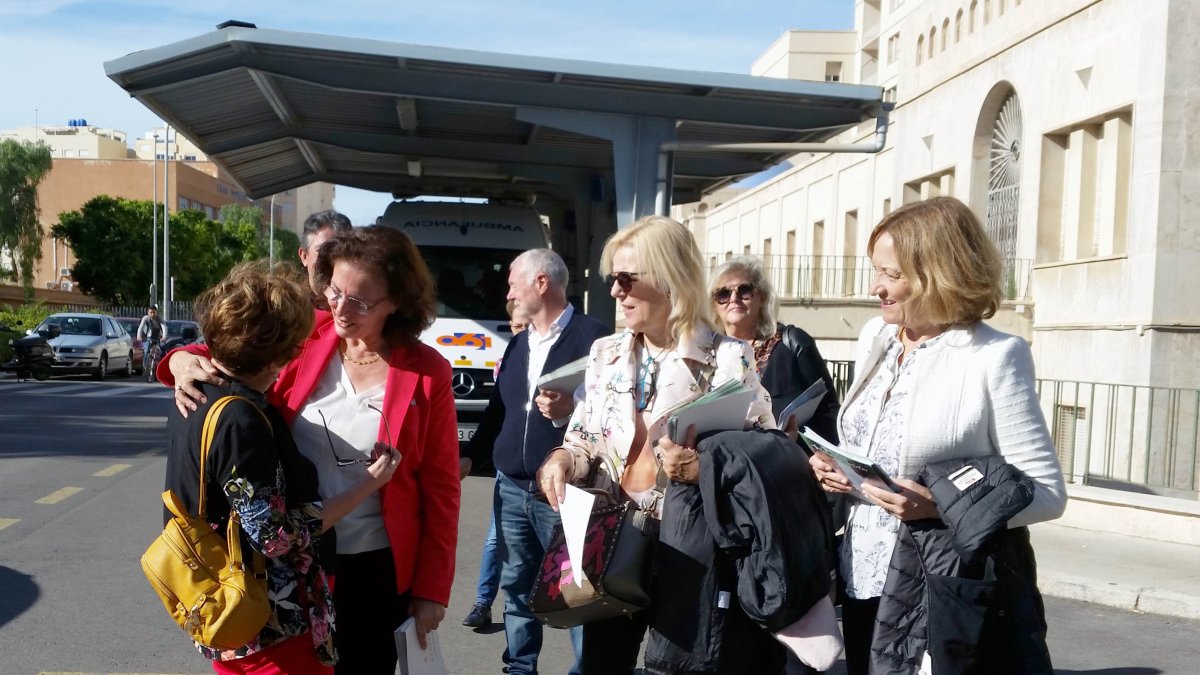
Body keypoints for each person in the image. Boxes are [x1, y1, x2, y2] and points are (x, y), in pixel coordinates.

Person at [163, 226, 461, 675]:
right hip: (293, 566)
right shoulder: (305, 333)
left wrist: (432, 591)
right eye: (334, 290)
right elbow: (227, 347)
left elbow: (441, 488)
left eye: (360, 301)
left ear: (397, 301)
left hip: (376, 567)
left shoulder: (427, 372)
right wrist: (178, 361)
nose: (340, 308)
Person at [807, 197, 1067, 675]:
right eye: (876, 271)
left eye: (891, 274)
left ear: (938, 273)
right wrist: (836, 469)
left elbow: (1046, 494)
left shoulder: (994, 355)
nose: (875, 288)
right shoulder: (875, 339)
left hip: (938, 586)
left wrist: (939, 506)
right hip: (862, 574)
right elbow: (874, 447)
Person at [536, 215, 775, 675]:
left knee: (678, 668)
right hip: (609, 540)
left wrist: (698, 465)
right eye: (612, 279)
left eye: (626, 279)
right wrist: (564, 458)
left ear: (670, 279)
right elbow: (583, 436)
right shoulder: (606, 354)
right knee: (601, 665)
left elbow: (759, 452)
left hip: (686, 548)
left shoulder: (726, 358)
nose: (615, 291)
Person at [463, 248, 609, 675]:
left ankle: (586, 670)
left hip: (567, 492)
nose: (507, 292)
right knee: (516, 586)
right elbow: (497, 410)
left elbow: (611, 415)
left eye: (513, 282)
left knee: (578, 590)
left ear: (541, 283)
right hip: (511, 488)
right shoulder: (519, 342)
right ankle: (520, 667)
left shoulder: (595, 339)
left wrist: (572, 404)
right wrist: (470, 456)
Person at [167, 209, 353, 411]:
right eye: (323, 252)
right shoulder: (281, 307)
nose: (332, 263)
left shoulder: (370, 317)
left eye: (342, 253)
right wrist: (179, 359)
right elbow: (228, 347)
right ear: (304, 256)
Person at [709, 255, 841, 443]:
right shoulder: (707, 352)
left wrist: (797, 446)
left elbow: (828, 413)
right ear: (713, 304)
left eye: (744, 291)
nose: (733, 299)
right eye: (723, 294)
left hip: (784, 464)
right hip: (723, 462)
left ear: (761, 297)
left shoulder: (792, 344)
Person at [462, 300, 527, 629]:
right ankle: (483, 602)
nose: (521, 333)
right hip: (510, 468)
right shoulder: (509, 358)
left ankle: (561, 605)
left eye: (526, 326)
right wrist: (471, 456)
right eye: (515, 327)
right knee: (494, 537)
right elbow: (494, 414)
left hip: (553, 470)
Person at [137, 304, 165, 374]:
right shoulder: (145, 318)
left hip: (158, 337)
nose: (152, 314)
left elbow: (164, 328)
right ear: (148, 312)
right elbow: (140, 327)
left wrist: (164, 337)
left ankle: (161, 366)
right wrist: (139, 336)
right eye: (151, 312)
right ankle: (145, 366)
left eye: (154, 312)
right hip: (148, 337)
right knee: (146, 350)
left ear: (156, 312)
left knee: (162, 351)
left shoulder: (160, 319)